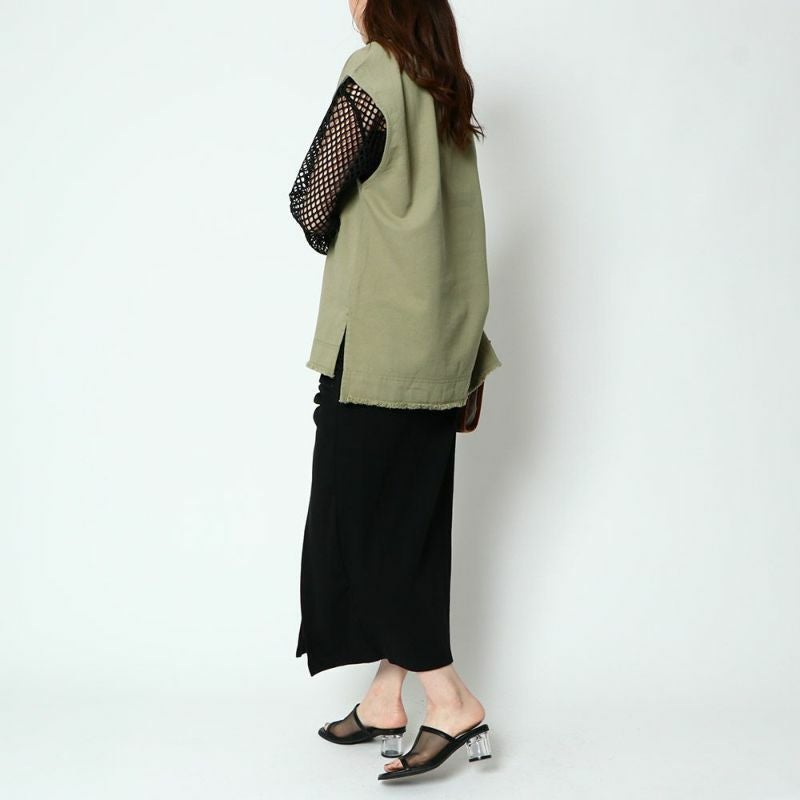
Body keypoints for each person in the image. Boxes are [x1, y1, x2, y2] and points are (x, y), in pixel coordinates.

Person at [288, 0, 501, 782]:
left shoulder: (375, 71)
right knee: (407, 526)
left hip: (376, 347)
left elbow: (310, 201)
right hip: (441, 348)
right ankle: (386, 699)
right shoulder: (446, 89)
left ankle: (450, 700)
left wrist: (354, 232)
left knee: (362, 532)